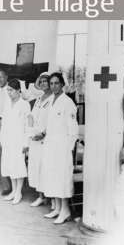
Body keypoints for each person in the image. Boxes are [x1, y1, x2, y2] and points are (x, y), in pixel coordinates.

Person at [40, 72, 78, 224]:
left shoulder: (68, 102)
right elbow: (49, 125)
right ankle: (56, 209)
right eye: (51, 83)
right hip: (50, 145)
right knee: (52, 176)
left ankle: (65, 210)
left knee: (62, 179)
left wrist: (68, 149)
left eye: (57, 83)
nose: (54, 86)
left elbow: (73, 131)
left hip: (62, 147)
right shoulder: (50, 100)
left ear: (62, 84)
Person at [0, 79, 30, 204]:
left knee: (18, 166)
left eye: (11, 90)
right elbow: (4, 123)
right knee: (9, 166)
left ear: (18, 90)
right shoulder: (7, 104)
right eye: (8, 90)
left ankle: (18, 192)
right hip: (8, 140)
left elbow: (28, 125)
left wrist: (26, 143)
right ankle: (13, 191)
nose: (9, 93)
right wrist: (2, 138)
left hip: (19, 140)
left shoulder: (24, 105)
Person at [27, 72, 52, 207]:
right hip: (34, 138)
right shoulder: (38, 98)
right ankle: (40, 196)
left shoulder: (54, 98)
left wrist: (43, 133)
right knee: (35, 167)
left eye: (45, 81)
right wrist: (31, 132)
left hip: (45, 139)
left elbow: (52, 120)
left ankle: (50, 197)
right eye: (41, 81)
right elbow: (32, 116)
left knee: (45, 168)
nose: (43, 83)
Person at [0, 67, 12, 196]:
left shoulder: (12, 89)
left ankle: (16, 185)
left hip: (11, 122)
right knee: (1, 152)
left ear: (6, 77)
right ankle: (6, 186)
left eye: (1, 77)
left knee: (12, 152)